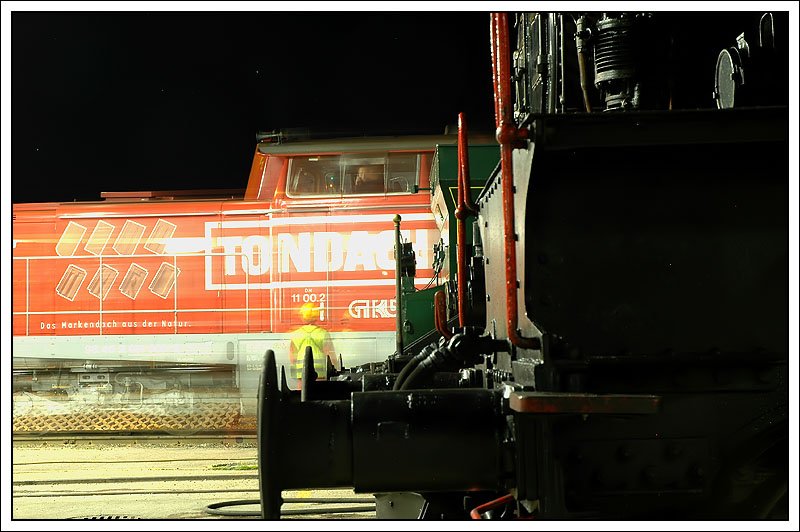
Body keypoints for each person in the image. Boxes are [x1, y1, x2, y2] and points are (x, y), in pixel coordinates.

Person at [288, 302, 337, 387]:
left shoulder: (296, 334)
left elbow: (292, 358)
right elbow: (330, 355)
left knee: (302, 393)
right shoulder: (323, 333)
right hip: (320, 371)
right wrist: (336, 368)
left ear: (302, 316)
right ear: (316, 316)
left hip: (301, 371)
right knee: (319, 392)